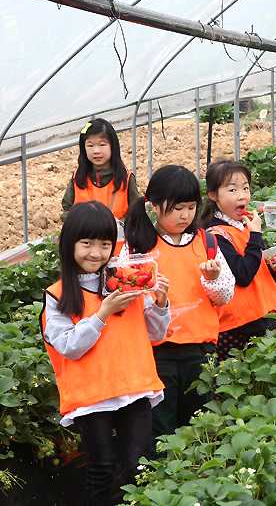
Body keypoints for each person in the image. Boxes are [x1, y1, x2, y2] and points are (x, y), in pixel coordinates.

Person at [42, 201, 170, 506]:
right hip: (92, 395)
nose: (96, 253)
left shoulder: (127, 282)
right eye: (86, 243)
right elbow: (69, 347)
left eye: (105, 244)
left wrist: (161, 303)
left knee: (139, 469)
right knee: (100, 470)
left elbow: (155, 334)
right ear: (69, 243)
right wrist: (102, 314)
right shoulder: (58, 295)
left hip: (134, 386)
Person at [122, 164, 235, 456]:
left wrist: (212, 280)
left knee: (198, 425)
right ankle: (164, 484)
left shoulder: (206, 242)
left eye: (190, 208)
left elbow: (225, 295)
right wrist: (155, 299)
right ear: (155, 206)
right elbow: (125, 300)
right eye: (176, 209)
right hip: (159, 352)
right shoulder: (138, 247)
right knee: (161, 428)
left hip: (202, 349)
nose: (185, 216)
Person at [199, 160, 276, 362]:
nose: (242, 195)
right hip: (238, 326)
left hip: (261, 314)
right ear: (213, 195)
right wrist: (256, 235)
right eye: (232, 190)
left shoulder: (245, 226)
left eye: (245, 188)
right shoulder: (217, 235)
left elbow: (259, 270)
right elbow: (243, 276)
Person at [61, 119, 140, 253]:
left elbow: (137, 212)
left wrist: (120, 224)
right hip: (86, 253)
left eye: (102, 145)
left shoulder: (126, 179)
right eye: (90, 146)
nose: (96, 151)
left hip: (120, 251)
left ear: (113, 146)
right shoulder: (77, 180)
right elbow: (66, 211)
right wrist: (83, 223)